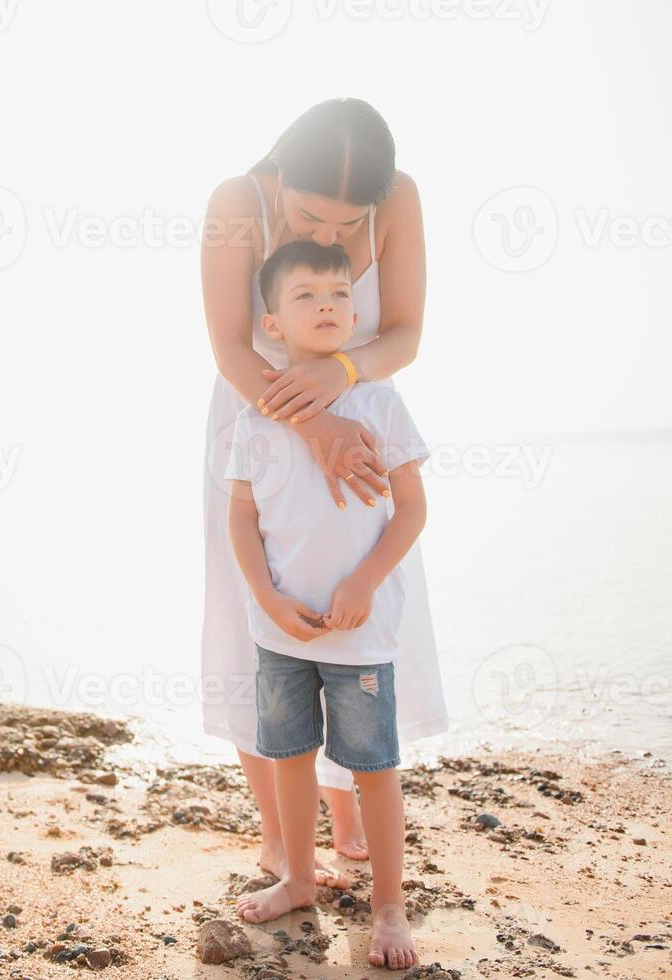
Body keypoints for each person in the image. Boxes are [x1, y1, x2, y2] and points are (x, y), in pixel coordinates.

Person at [200, 98, 448, 881]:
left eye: (350, 225)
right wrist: (312, 425)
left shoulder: (399, 198)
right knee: (259, 624)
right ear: (280, 177)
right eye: (311, 216)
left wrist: (340, 379)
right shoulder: (236, 204)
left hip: (364, 426)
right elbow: (232, 349)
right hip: (257, 430)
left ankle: (347, 812)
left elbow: (403, 332)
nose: (328, 239)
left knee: (354, 615)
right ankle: (279, 837)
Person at [225, 239, 427, 970]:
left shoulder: (380, 401)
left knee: (374, 766)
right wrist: (268, 599)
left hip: (360, 634)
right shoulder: (255, 419)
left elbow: (410, 511)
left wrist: (364, 582)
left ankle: (389, 907)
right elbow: (242, 519)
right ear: (272, 323)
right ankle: (299, 878)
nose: (328, 306)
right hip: (281, 630)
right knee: (290, 756)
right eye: (306, 294)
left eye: (340, 294)